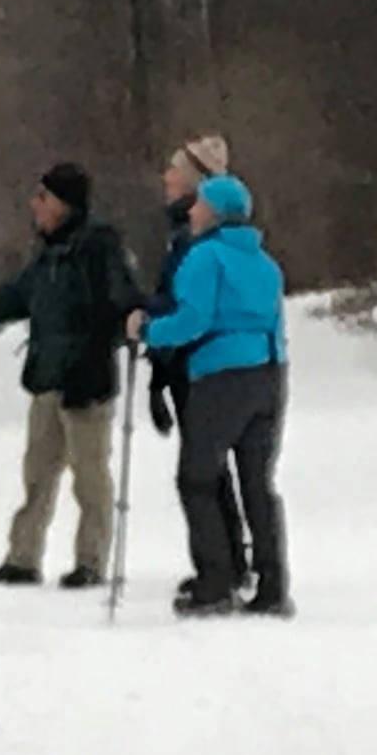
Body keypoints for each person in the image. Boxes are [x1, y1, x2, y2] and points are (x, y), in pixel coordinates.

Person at [0, 162, 142, 589]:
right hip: (47, 376)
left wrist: (104, 352)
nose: (35, 205)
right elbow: (16, 296)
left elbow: (122, 308)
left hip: (87, 383)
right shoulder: (48, 253)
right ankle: (22, 558)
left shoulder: (100, 249)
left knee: (90, 478)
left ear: (64, 204)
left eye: (43, 198)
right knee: (38, 474)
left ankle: (91, 561)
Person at [132, 174, 292, 618]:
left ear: (217, 212)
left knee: (198, 477)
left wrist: (147, 330)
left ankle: (215, 582)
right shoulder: (265, 263)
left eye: (199, 204)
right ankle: (272, 584)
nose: (191, 210)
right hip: (269, 373)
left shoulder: (205, 258)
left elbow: (193, 321)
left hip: (221, 376)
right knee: (257, 482)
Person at [147, 135, 249, 598]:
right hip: (194, 362)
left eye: (174, 170)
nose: (165, 178)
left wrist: (155, 339)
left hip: (200, 364)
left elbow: (188, 306)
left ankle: (221, 568)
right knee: (212, 468)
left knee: (202, 471)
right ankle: (230, 560)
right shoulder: (182, 232)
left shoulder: (196, 237)